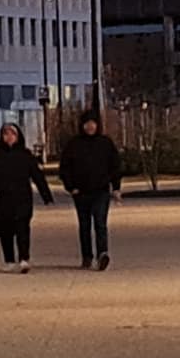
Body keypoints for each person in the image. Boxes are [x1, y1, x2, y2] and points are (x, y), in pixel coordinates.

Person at [0, 122, 52, 272]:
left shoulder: (25, 155)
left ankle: (24, 258)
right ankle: (9, 260)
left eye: (12, 134)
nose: (9, 137)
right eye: (6, 134)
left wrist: (46, 196)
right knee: (6, 230)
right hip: (1, 199)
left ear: (18, 136)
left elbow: (37, 176)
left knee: (23, 228)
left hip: (22, 198)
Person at [58, 112, 123, 270]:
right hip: (80, 192)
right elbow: (64, 168)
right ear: (82, 125)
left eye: (93, 123)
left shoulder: (105, 143)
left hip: (101, 191)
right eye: (87, 123)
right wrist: (70, 186)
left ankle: (103, 253)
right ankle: (87, 256)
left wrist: (116, 187)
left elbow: (115, 166)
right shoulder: (74, 144)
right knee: (84, 225)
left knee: (100, 223)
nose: (90, 126)